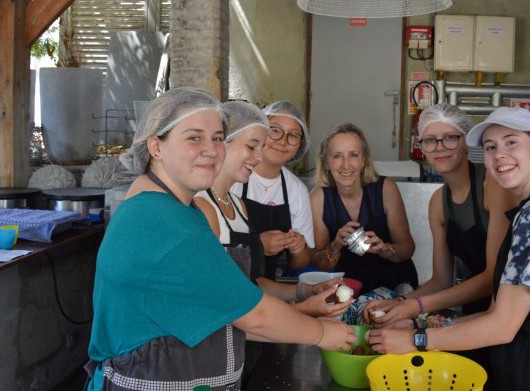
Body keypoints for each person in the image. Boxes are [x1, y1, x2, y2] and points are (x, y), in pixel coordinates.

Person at [85, 88, 354, 391]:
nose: (212, 150)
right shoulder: (163, 222)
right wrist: (320, 333)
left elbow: (229, 312)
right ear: (155, 147)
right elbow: (256, 316)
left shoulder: (170, 210)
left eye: (216, 138)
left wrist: (306, 315)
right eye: (194, 137)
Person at [368, 107, 530, 391]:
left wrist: (416, 339)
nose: (500, 154)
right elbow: (497, 313)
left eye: (512, 142)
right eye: (491, 147)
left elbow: (502, 325)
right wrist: (419, 324)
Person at [195, 100, 351, 318]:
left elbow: (254, 283)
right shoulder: (203, 206)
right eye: (252, 146)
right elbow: (219, 302)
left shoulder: (238, 205)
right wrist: (300, 310)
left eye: (293, 136)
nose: (258, 157)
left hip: (257, 321)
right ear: (222, 143)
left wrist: (306, 290)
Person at [363, 104, 514, 327]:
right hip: (474, 308)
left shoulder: (492, 185)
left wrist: (417, 306)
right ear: (422, 149)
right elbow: (441, 280)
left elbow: (495, 275)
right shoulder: (438, 203)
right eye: (430, 140)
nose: (440, 148)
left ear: (466, 143)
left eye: (450, 138)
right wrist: (399, 302)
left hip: (509, 309)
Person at [311, 122, 419, 295]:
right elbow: (320, 263)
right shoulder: (318, 198)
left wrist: (385, 249)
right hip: (350, 288)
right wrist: (336, 246)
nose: (346, 165)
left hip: (396, 284)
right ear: (326, 163)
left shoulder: (386, 189)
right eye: (337, 156)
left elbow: (408, 249)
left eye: (353, 155)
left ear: (363, 161)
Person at [231, 100, 314, 279]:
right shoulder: (234, 175)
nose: (282, 141)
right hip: (228, 279)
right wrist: (257, 244)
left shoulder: (296, 190)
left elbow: (302, 262)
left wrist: (298, 249)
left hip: (267, 284)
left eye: (293, 135)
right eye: (275, 130)